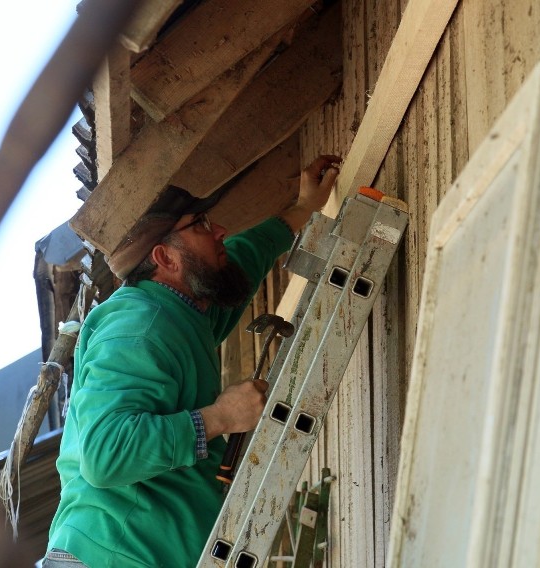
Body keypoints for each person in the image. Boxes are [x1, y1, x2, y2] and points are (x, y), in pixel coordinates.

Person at [43, 155, 341, 567]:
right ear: (165, 258)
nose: (218, 229)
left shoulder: (181, 314)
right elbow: (105, 454)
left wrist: (302, 208)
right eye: (200, 225)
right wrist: (219, 417)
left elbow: (240, 260)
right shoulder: (138, 328)